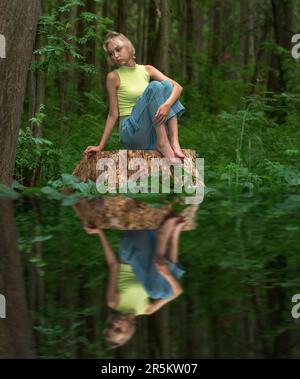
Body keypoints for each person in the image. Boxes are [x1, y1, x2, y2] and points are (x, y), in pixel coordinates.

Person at [83, 215, 186, 349]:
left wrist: (100, 233)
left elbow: (113, 265)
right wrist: (166, 273)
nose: (116, 324)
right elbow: (178, 292)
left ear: (108, 321)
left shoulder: (114, 302)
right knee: (167, 289)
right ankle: (174, 236)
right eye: (119, 330)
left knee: (157, 292)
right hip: (151, 253)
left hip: (132, 248)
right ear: (129, 331)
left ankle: (164, 236)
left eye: (111, 326)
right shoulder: (147, 309)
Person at [84, 31, 186, 164]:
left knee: (167, 85)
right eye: (111, 53)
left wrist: (167, 105)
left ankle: (173, 140)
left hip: (151, 131)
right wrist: (100, 146)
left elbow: (178, 87)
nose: (115, 55)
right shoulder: (113, 77)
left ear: (129, 47)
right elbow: (113, 114)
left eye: (118, 49)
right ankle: (163, 142)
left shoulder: (147, 70)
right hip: (131, 132)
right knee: (155, 86)